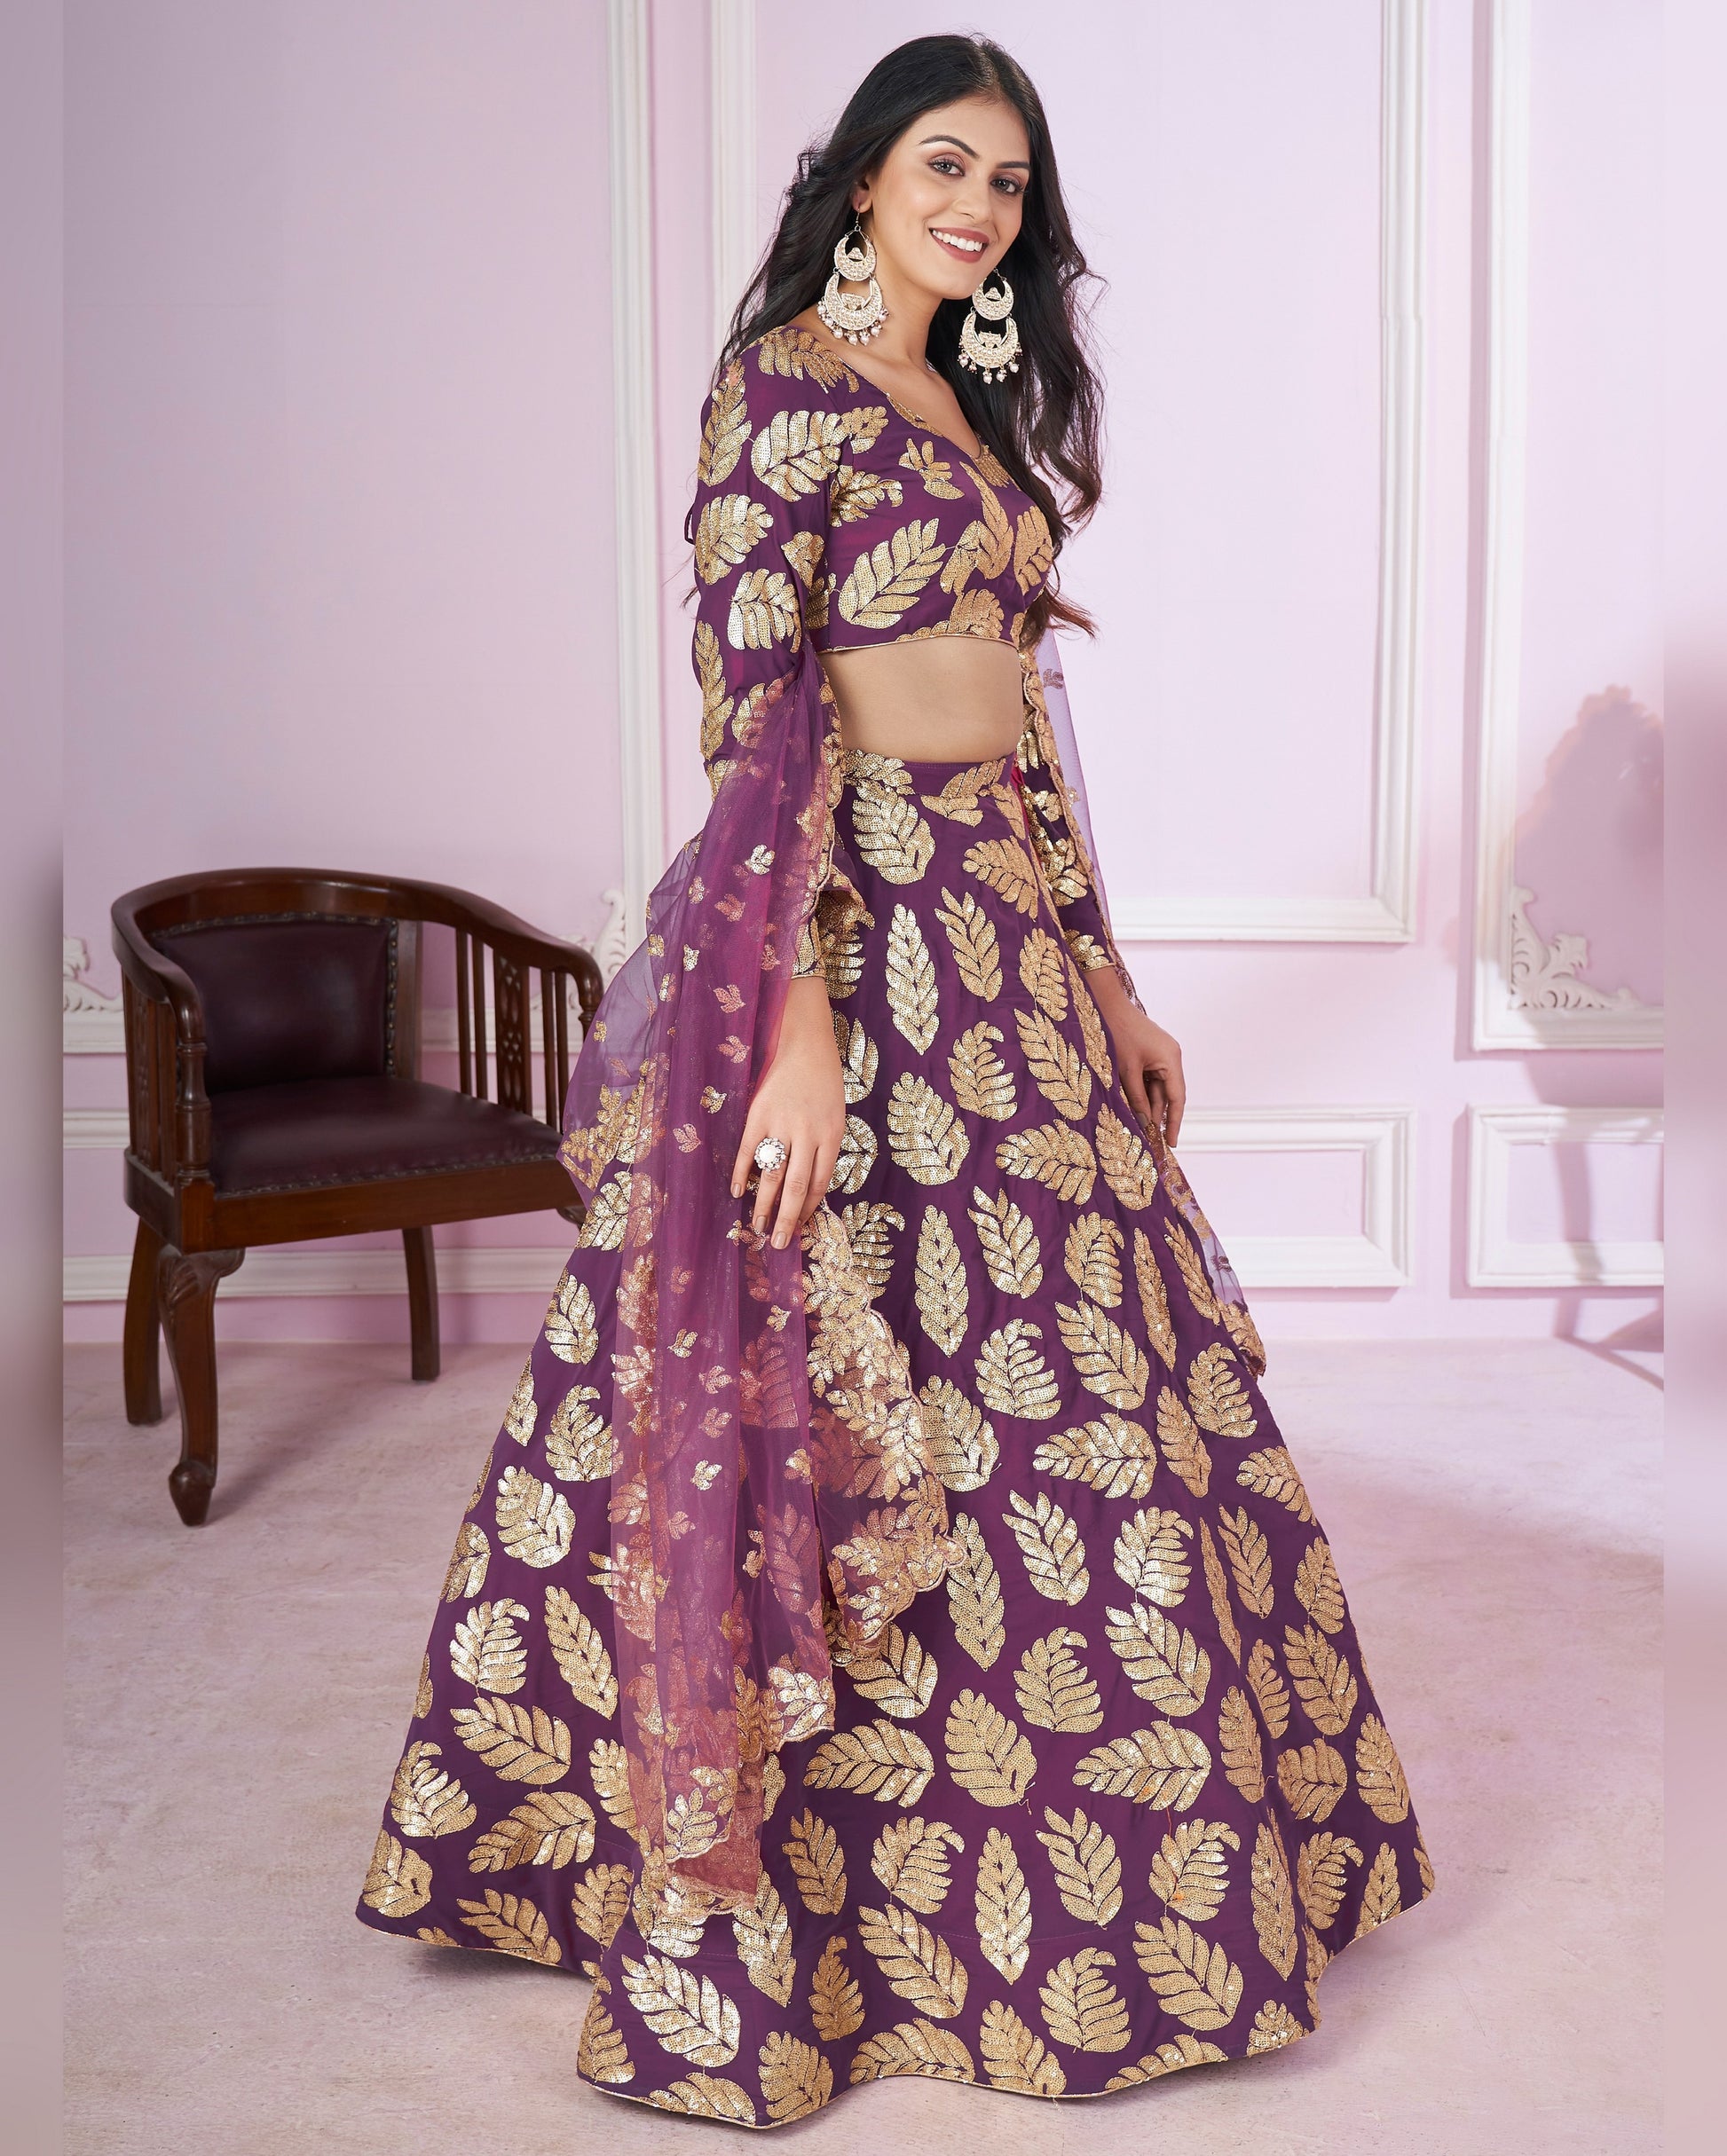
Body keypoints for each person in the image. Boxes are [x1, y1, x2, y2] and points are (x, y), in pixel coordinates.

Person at [355, 34, 1432, 2123]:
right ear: (858, 179)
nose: (975, 206)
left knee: (1077, 1400)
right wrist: (794, 1031)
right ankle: (719, 1883)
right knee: (813, 1378)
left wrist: (1106, 974)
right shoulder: (782, 387)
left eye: (1009, 186)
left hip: (1012, 947)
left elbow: (1021, 731)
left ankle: (1098, 1887)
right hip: (852, 936)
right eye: (942, 165)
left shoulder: (972, 402)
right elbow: (749, 718)